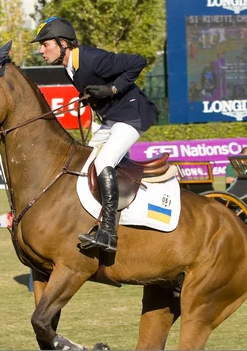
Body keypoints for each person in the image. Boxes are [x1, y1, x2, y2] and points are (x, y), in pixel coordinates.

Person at [31, 17, 159, 253]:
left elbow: (138, 61)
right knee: (84, 160)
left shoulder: (92, 59)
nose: (41, 50)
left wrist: (111, 89)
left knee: (103, 162)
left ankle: (109, 233)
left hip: (133, 115)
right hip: (114, 120)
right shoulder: (69, 66)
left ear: (63, 43)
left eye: (44, 44)